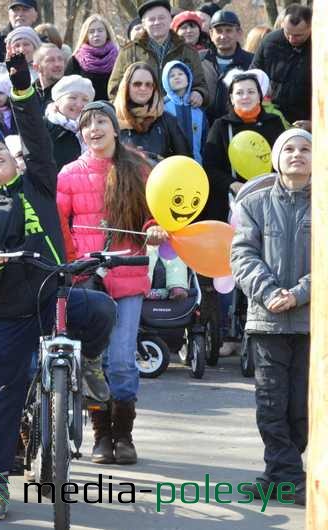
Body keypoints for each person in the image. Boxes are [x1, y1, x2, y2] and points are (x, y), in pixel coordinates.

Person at [0, 54, 115, 520]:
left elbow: (35, 136)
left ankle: (87, 363)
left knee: (102, 310)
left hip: (55, 296)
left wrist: (23, 86)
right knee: (5, 395)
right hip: (9, 312)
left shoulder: (41, 181)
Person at [57, 100, 165, 468]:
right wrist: (74, 264)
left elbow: (155, 214)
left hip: (130, 273)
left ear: (114, 128)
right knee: (93, 361)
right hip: (88, 280)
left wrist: (153, 231)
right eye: (87, 124)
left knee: (121, 360)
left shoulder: (138, 168)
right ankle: (101, 434)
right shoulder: (69, 173)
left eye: (101, 121)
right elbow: (61, 224)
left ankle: (124, 435)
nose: (94, 129)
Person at [231, 127, 311, 507]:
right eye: (289, 149)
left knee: (302, 409)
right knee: (270, 404)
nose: (297, 155)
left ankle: (279, 475)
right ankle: (289, 476)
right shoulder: (254, 203)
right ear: (276, 158)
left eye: (305, 149)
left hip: (312, 323)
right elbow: (243, 256)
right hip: (267, 323)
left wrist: (298, 294)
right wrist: (269, 292)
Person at [198, 70, 287, 224]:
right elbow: (210, 167)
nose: (245, 96)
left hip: (270, 197)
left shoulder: (274, 122)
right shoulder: (221, 125)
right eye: (239, 93)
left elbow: (283, 160)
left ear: (259, 96)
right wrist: (232, 184)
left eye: (251, 92)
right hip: (232, 204)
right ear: (232, 98)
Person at [107, 0, 208, 108]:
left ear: (170, 19)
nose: (157, 22)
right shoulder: (129, 51)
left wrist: (199, 93)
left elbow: (201, 84)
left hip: (178, 115)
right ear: (143, 23)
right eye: (151, 19)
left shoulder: (188, 51)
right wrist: (131, 109)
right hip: (140, 118)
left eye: (161, 18)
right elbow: (114, 90)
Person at [114, 62, 191, 163]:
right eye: (137, 84)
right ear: (126, 87)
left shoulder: (168, 121)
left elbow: (185, 161)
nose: (143, 88)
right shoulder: (112, 120)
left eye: (149, 84)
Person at [250, 4, 311, 124]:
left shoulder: (321, 47)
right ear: (282, 24)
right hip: (270, 117)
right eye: (287, 33)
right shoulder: (270, 42)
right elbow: (254, 75)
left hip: (305, 118)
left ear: (310, 27)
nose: (292, 39)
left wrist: (314, 123)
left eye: (298, 35)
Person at [201, 10, 254, 124]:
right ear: (211, 34)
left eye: (228, 31)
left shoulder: (251, 62)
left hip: (239, 124)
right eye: (218, 31)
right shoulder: (200, 60)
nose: (223, 36)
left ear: (239, 32)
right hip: (204, 124)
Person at [44, 75, 94, 170]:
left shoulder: (93, 130)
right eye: (73, 98)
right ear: (58, 101)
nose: (79, 104)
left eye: (85, 100)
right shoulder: (43, 127)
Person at [66, 14, 119, 102]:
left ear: (107, 33)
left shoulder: (119, 58)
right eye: (91, 31)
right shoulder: (75, 61)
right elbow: (67, 91)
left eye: (100, 30)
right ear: (86, 35)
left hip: (113, 110)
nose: (96, 34)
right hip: (84, 110)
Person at [162, 61, 208, 163]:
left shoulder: (198, 109)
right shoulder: (163, 108)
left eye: (180, 74)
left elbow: (205, 141)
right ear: (165, 81)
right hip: (173, 166)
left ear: (188, 78)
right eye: (171, 76)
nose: (176, 77)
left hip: (197, 165)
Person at [0, 0, 38, 70]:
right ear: (9, 14)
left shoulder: (44, 41)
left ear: (35, 15)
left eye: (25, 10)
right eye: (16, 10)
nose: (20, 14)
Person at [32, 43, 66, 110]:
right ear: (36, 67)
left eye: (60, 59)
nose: (57, 64)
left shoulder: (70, 93)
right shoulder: (29, 95)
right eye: (50, 60)